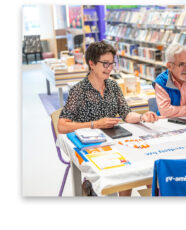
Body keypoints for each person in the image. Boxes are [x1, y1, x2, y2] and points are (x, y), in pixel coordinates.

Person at [58, 41, 160, 196]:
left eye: (112, 63)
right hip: (93, 147)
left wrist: (142, 116)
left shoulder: (113, 86)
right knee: (127, 169)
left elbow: (126, 114)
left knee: (145, 166)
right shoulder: (78, 90)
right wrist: (95, 124)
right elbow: (62, 126)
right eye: (105, 64)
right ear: (92, 64)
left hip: (115, 142)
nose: (110, 68)